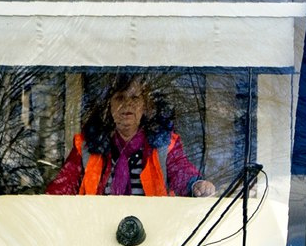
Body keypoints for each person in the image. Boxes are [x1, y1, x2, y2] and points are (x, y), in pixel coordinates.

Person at [47, 74, 217, 197]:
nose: (127, 104)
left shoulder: (164, 144)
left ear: (145, 106)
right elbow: (63, 185)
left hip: (152, 229)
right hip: (97, 228)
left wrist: (196, 185)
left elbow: (180, 171)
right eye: (120, 98)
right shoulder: (86, 145)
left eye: (135, 98)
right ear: (109, 106)